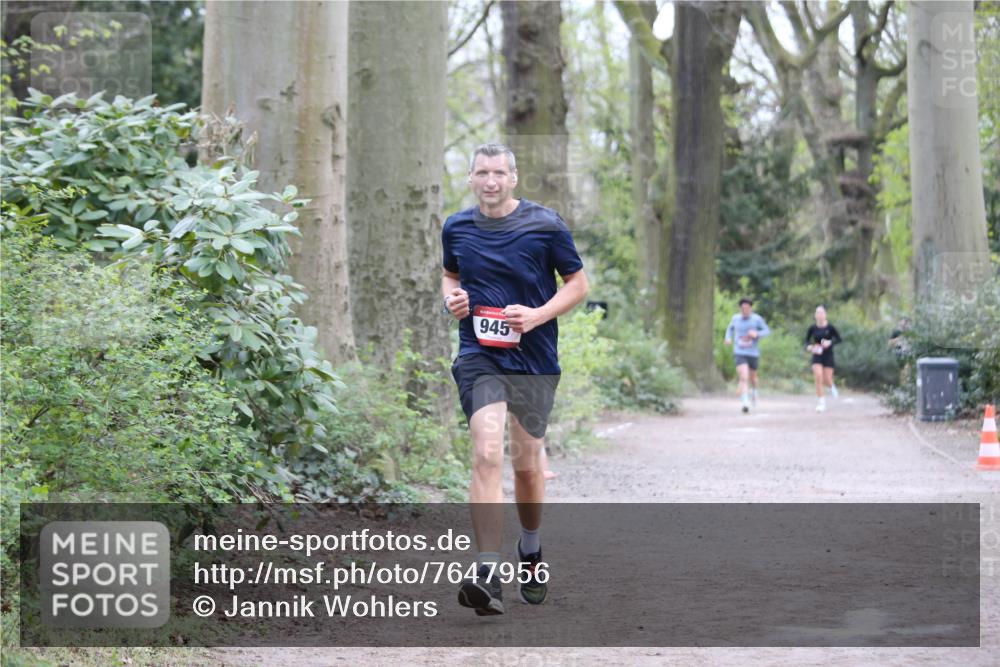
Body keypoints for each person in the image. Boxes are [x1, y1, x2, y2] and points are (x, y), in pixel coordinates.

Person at [441, 142, 588, 615]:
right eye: (482, 173)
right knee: (487, 453)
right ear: (470, 178)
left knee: (526, 467)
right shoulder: (456, 226)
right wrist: (452, 298)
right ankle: (487, 572)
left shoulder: (545, 224)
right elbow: (450, 275)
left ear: (514, 178)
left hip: (534, 359)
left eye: (499, 173)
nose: (491, 181)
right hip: (479, 355)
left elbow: (579, 285)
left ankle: (530, 547)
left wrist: (537, 315)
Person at [724, 298, 771, 413]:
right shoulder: (735, 318)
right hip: (739, 352)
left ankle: (754, 391)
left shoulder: (757, 319)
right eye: (742, 308)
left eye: (747, 308)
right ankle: (745, 402)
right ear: (740, 309)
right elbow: (730, 329)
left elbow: (767, 331)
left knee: (753, 378)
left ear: (750, 308)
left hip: (753, 353)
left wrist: (757, 333)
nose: (744, 310)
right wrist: (728, 338)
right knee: (743, 376)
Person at [804, 305, 842, 412]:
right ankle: (821, 402)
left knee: (827, 379)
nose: (820, 315)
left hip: (828, 355)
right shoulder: (812, 328)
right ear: (815, 315)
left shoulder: (830, 327)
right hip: (817, 354)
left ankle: (831, 386)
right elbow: (806, 341)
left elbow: (839, 339)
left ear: (825, 314)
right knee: (818, 376)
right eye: (818, 313)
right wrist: (809, 347)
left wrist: (829, 342)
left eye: (821, 313)